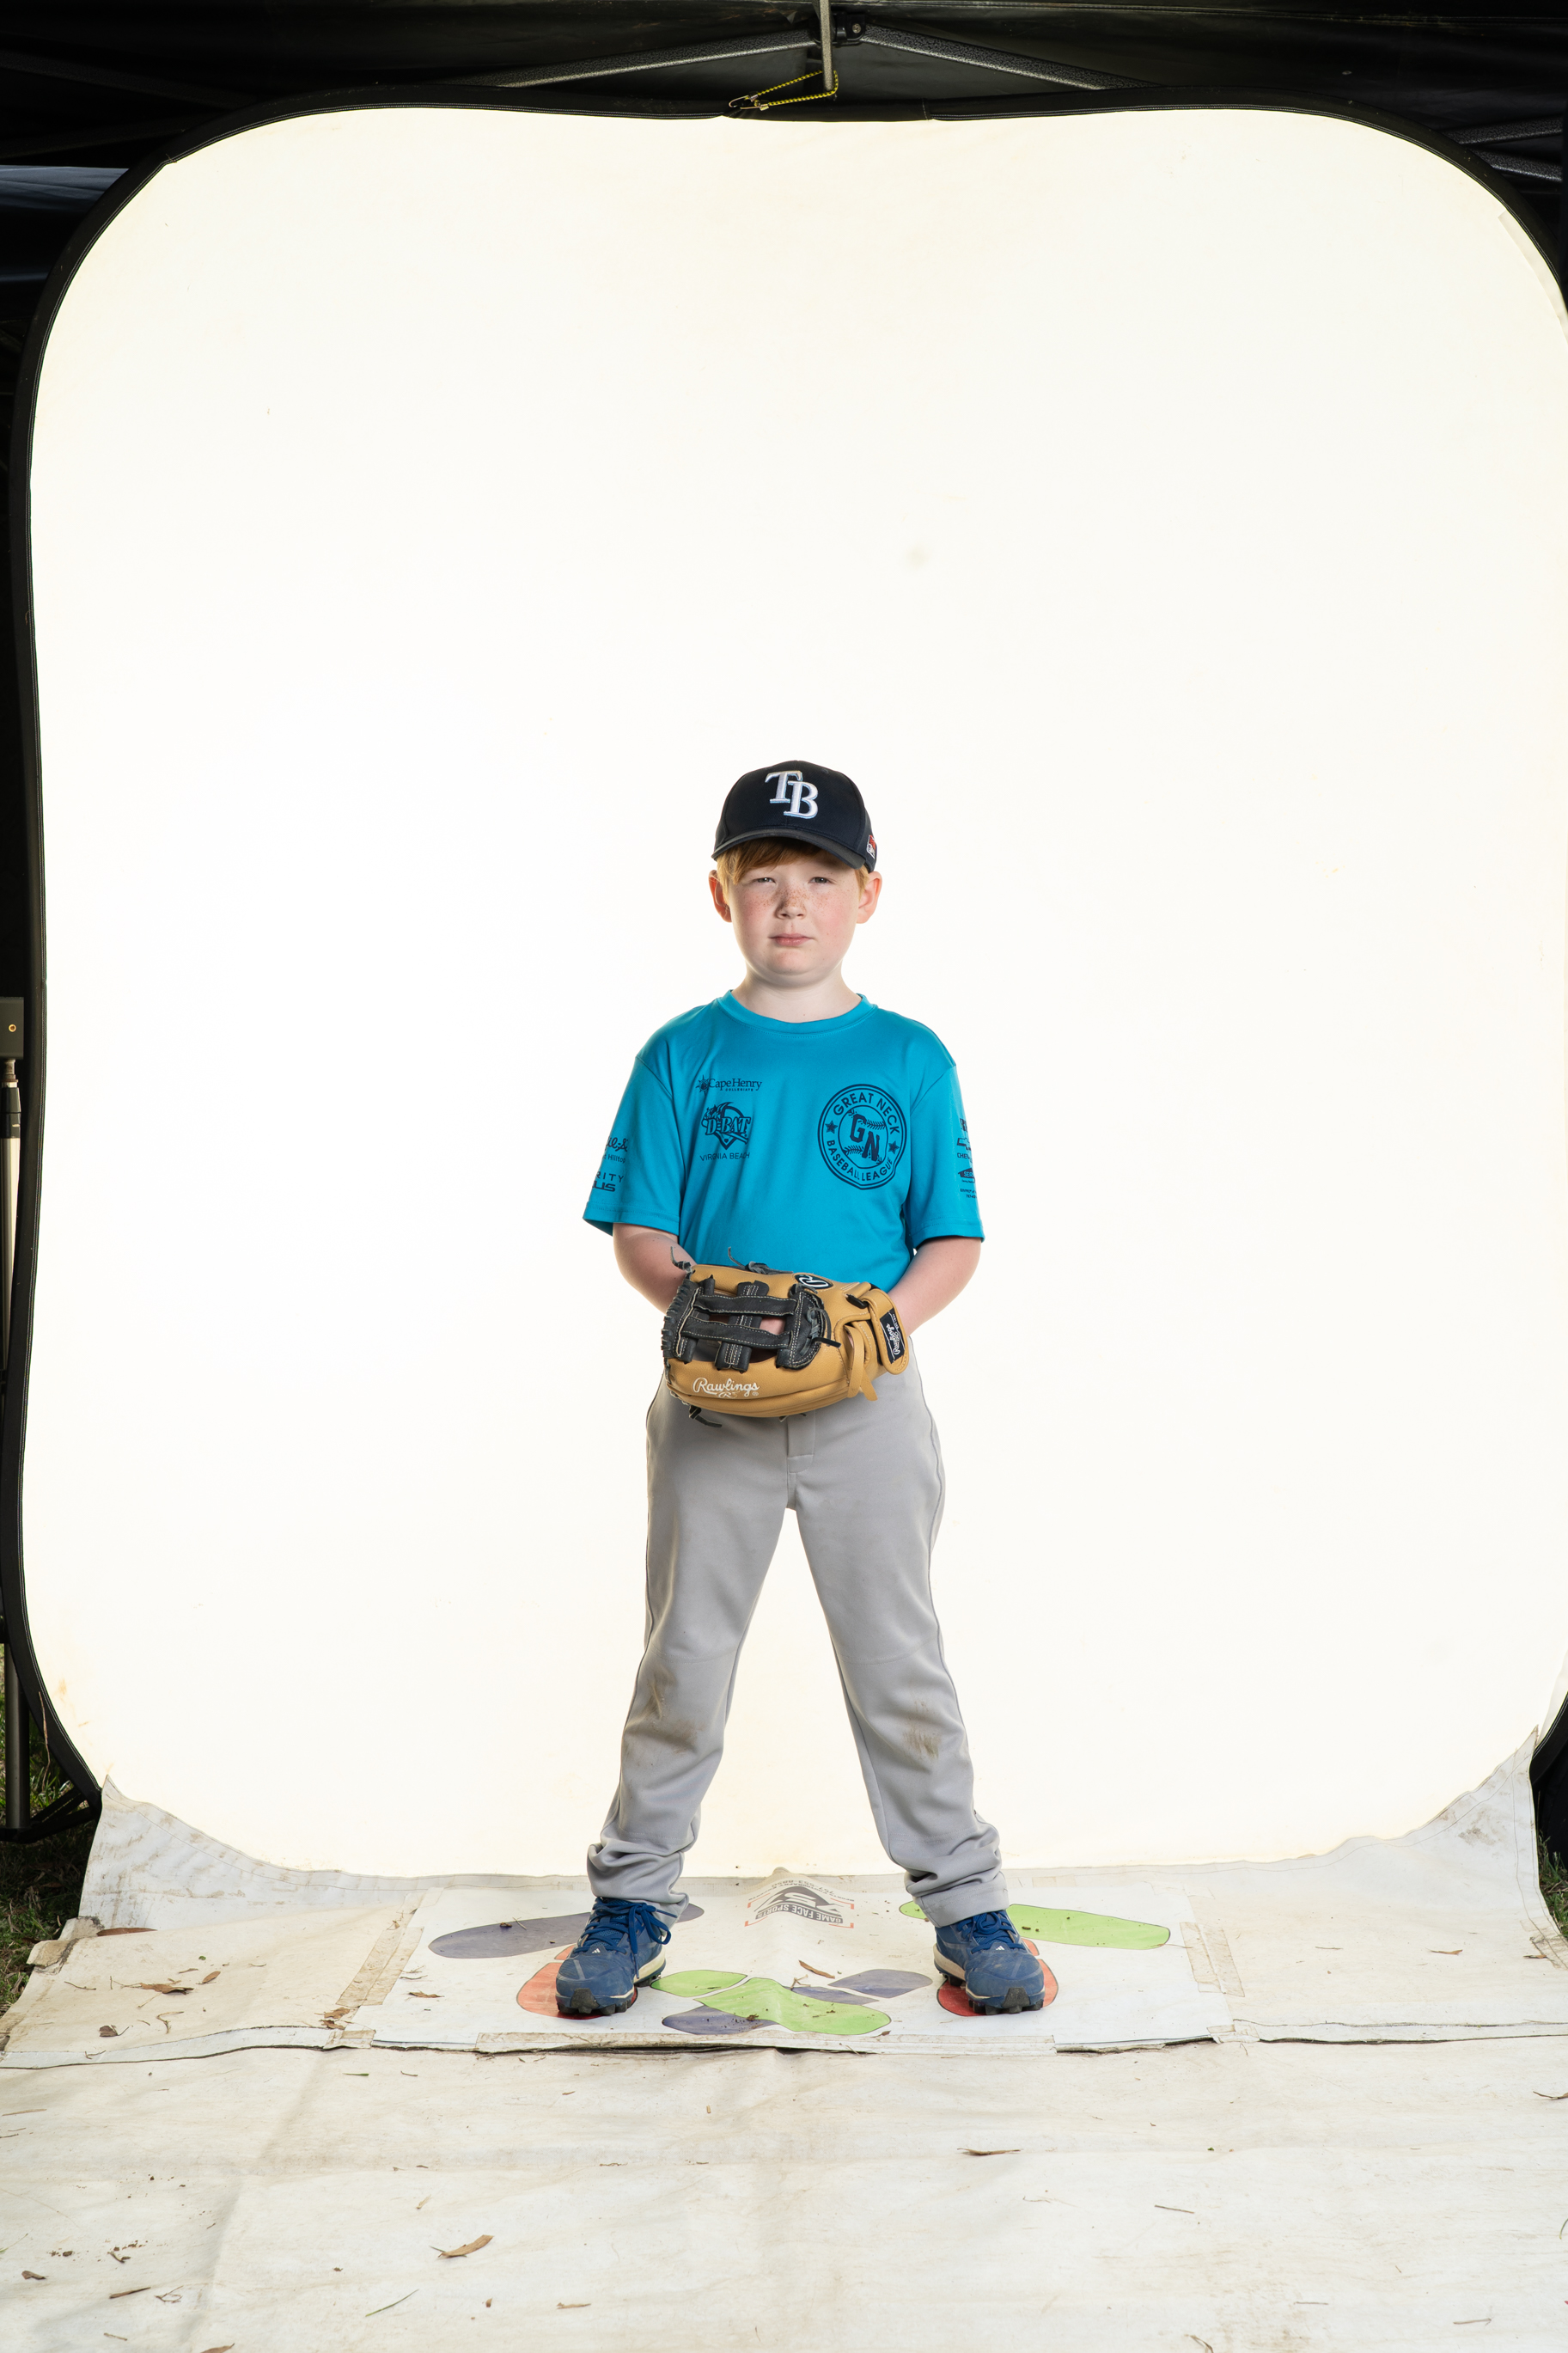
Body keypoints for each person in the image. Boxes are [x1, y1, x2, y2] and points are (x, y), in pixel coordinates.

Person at [560, 761, 1045, 2020]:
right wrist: (702, 1310)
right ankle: (631, 1898)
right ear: (718, 892)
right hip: (713, 1408)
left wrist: (869, 1326)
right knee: (683, 1656)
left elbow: (951, 1240)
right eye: (763, 876)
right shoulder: (682, 1054)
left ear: (866, 894)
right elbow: (642, 1235)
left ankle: (965, 1900)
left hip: (866, 1409)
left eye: (820, 877)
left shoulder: (909, 1056)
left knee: (899, 1659)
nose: (791, 903)